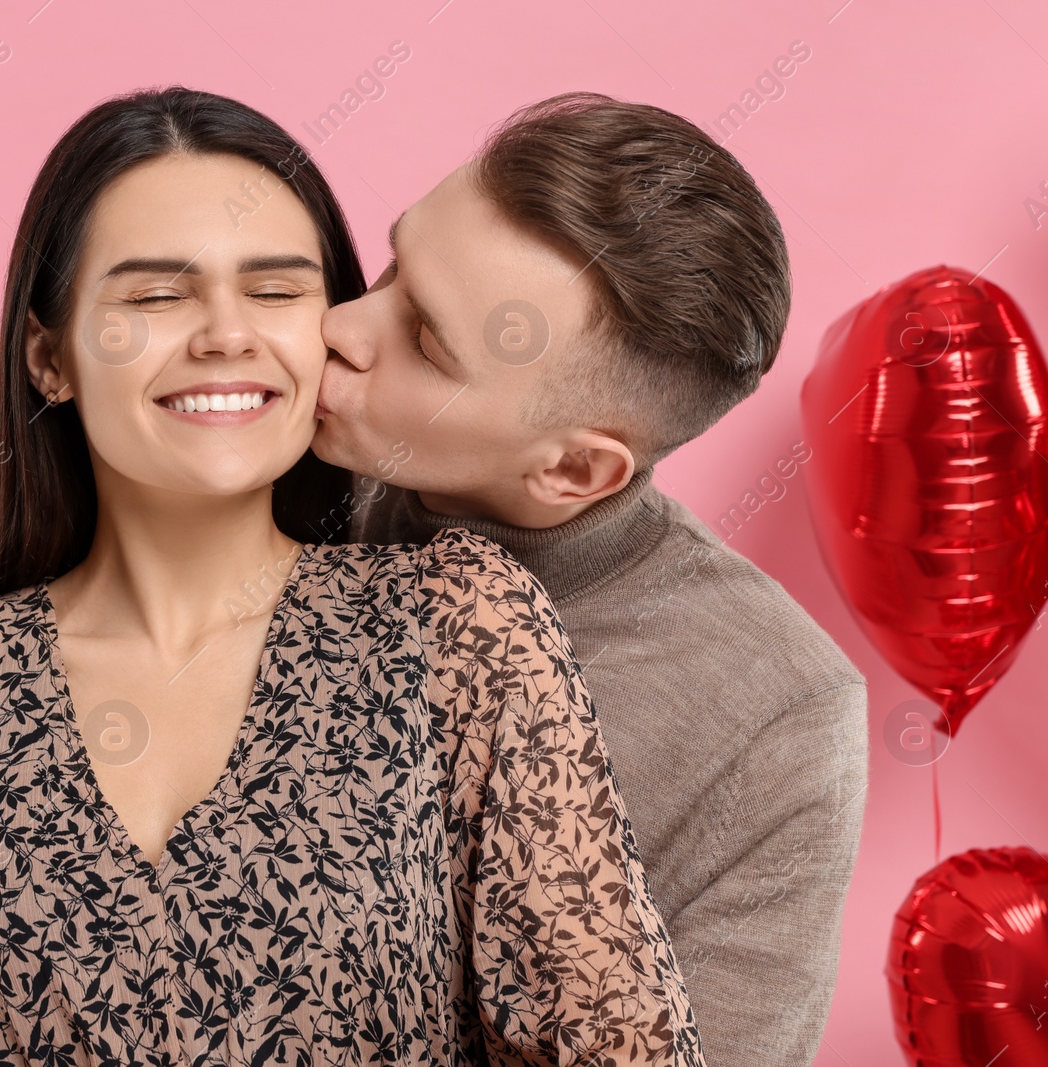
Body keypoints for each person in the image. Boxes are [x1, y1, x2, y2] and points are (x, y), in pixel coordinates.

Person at [0, 87, 707, 1066]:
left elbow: (621, 1047)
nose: (224, 332)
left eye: (273, 290)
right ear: (50, 358)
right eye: (155, 294)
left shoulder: (457, 626)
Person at [313, 92, 868, 1067]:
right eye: (394, 265)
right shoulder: (260, 458)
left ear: (573, 469)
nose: (341, 328)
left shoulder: (779, 714)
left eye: (428, 344)